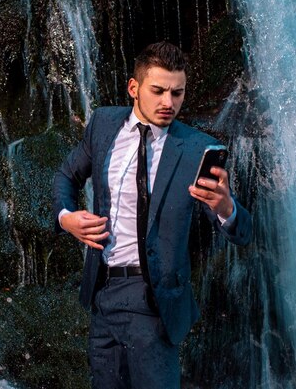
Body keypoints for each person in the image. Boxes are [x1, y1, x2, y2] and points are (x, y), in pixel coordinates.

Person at [53, 41, 252, 388]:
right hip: (103, 295)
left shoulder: (196, 149)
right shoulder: (102, 125)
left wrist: (225, 208)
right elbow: (65, 176)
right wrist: (66, 217)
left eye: (177, 93)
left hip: (154, 302)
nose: (168, 103)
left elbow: (244, 231)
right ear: (134, 88)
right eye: (158, 91)